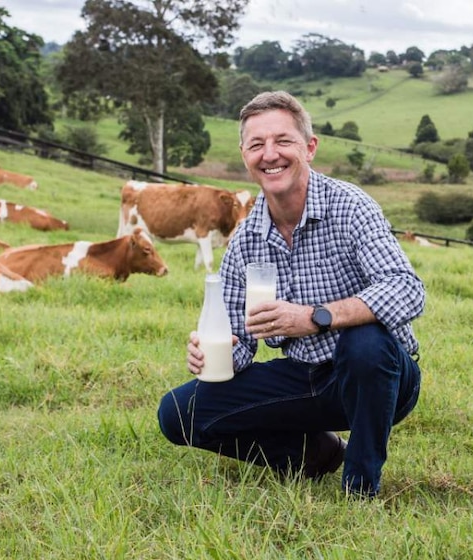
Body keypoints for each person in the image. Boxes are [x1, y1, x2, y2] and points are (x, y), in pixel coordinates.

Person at [157, 91, 425, 498]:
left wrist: (315, 316)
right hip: (304, 378)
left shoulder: (350, 206)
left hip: (381, 377)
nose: (270, 154)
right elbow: (238, 342)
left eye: (283, 141)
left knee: (364, 342)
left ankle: (361, 485)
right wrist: (213, 351)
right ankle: (314, 453)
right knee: (177, 413)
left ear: (309, 148)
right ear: (245, 155)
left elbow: (407, 290)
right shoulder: (246, 240)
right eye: (257, 144)